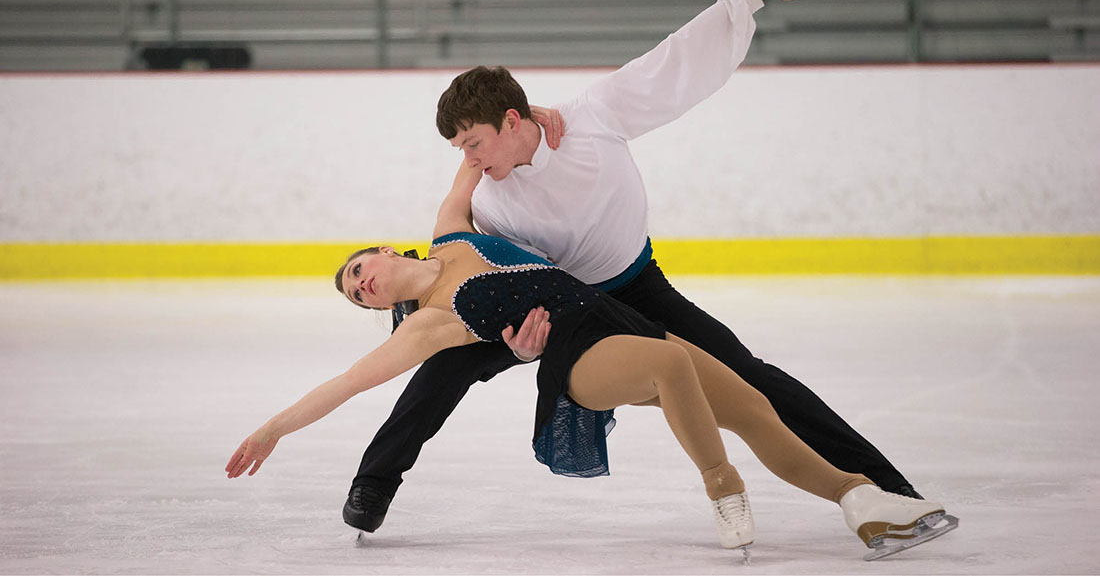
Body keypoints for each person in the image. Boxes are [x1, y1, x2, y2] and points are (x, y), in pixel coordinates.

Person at [346, 0, 927, 535]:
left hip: (638, 287)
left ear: (513, 120)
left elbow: (670, 66)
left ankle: (886, 488)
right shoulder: (489, 205)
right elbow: (491, 280)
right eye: (460, 149)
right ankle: (374, 484)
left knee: (751, 378)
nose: (468, 159)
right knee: (444, 365)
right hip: (564, 308)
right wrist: (519, 348)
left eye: (473, 143)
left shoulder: (590, 117)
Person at [226, 162, 957, 559]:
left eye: (360, 270)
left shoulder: (452, 230)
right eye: (356, 293)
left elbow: (473, 152)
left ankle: (860, 502)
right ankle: (724, 489)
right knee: (671, 369)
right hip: (577, 357)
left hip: (620, 318)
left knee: (755, 409)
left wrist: (537, 120)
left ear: (386, 251)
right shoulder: (427, 329)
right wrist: (272, 428)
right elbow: (345, 385)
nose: (363, 284)